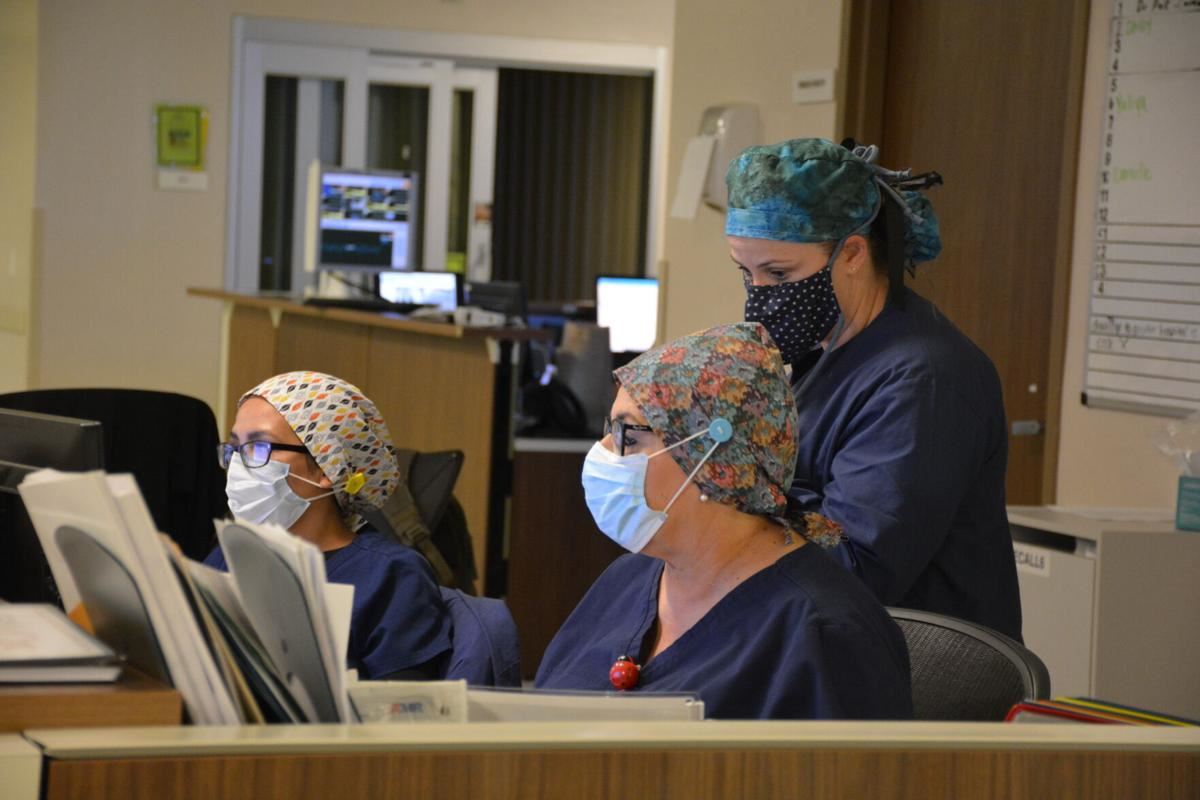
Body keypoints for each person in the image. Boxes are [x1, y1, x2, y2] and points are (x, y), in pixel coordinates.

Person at [535, 323, 912, 720]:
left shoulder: (825, 636)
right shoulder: (625, 581)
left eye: (629, 434)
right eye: (609, 429)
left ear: (714, 459)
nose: (606, 451)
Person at [725, 138, 1022, 640]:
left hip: (908, 672)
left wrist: (714, 523)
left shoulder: (925, 379)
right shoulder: (820, 352)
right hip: (817, 635)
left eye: (779, 273)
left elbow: (856, 565)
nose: (760, 296)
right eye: (746, 274)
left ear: (854, 253)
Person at [206, 370, 453, 681]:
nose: (239, 465)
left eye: (259, 447)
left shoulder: (389, 577)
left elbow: (405, 709)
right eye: (234, 449)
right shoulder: (229, 557)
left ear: (328, 466)